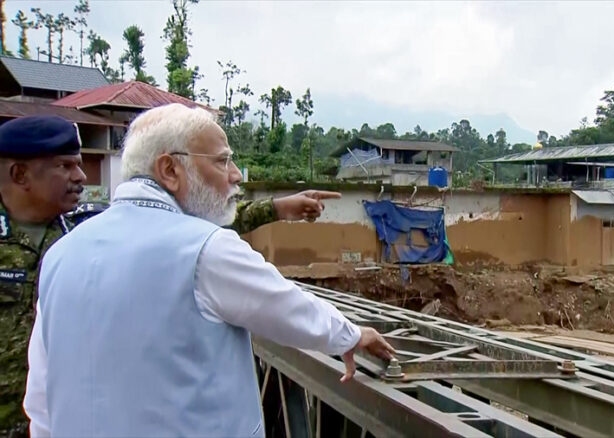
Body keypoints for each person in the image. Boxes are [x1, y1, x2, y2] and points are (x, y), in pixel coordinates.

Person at [24, 103, 394, 437]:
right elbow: (285, 306)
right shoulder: (202, 247)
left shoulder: (61, 254)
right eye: (222, 161)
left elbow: (40, 397)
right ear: (170, 169)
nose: (235, 175)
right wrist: (350, 335)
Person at [0, 116, 86, 438]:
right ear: (20, 174)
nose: (81, 177)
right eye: (65, 166)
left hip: (55, 424)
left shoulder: (85, 232)